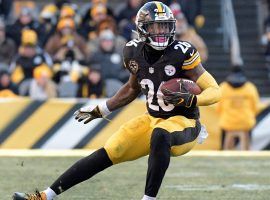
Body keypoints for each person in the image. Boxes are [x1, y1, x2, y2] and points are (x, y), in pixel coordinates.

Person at [13, 2, 221, 200]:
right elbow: (132, 87)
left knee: (161, 135)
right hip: (153, 118)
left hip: (185, 124)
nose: (161, 32)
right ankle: (45, 195)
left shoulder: (182, 52)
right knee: (111, 150)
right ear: (142, 29)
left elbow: (214, 90)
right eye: (156, 27)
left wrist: (193, 99)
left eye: (165, 26)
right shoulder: (133, 51)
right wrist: (102, 109)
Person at [217, 66, 259, 150]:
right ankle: (247, 149)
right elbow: (255, 107)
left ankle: (223, 150)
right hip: (245, 122)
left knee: (224, 133)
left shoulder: (223, 87)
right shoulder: (250, 87)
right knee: (248, 127)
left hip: (227, 122)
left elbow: (218, 108)